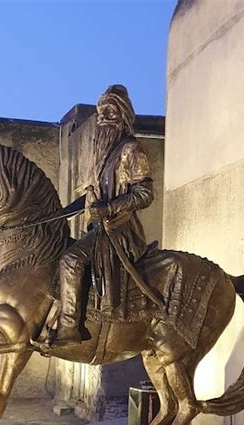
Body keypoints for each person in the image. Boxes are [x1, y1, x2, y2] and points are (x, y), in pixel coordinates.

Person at [52, 84, 154, 346]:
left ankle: (68, 328)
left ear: (123, 114)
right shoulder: (99, 154)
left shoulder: (131, 150)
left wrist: (108, 209)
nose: (104, 116)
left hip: (119, 230)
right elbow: (90, 197)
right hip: (97, 229)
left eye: (110, 110)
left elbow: (145, 194)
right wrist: (59, 214)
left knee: (71, 260)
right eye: (100, 111)